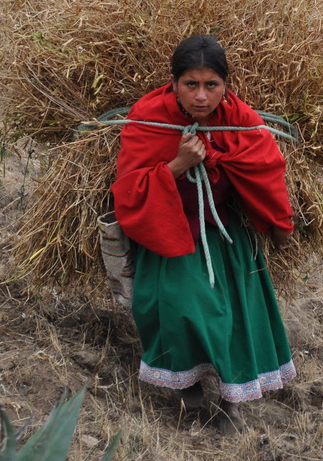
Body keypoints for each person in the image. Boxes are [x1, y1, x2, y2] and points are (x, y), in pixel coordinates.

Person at [111, 35, 296, 433]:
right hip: (170, 231)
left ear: (226, 85)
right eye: (190, 84)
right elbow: (128, 188)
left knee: (232, 318)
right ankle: (189, 383)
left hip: (224, 234)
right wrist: (178, 164)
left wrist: (280, 227)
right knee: (181, 307)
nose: (200, 96)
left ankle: (232, 402)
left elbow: (266, 170)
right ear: (173, 83)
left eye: (211, 85)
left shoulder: (239, 118)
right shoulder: (149, 116)